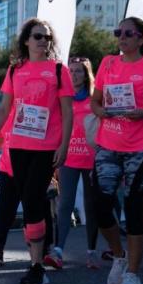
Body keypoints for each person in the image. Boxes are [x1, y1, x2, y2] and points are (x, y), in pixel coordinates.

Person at [0, 18, 73, 284]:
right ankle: (35, 264)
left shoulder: (59, 70)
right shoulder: (14, 70)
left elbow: (68, 113)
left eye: (46, 37)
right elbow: (3, 109)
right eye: (37, 36)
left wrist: (64, 145)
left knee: (34, 199)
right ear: (26, 40)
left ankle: (36, 265)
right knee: (29, 204)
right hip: (18, 146)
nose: (43, 41)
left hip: (46, 147)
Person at [89, 16, 143, 284]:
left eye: (128, 33)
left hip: (141, 147)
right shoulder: (107, 63)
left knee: (135, 209)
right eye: (118, 32)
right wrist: (99, 111)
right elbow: (95, 100)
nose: (121, 37)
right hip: (108, 145)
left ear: (141, 39)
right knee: (101, 206)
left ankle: (134, 275)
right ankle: (118, 256)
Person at [46, 56, 100, 270]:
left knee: (90, 205)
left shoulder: (96, 98)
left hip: (91, 158)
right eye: (72, 71)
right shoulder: (63, 98)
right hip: (68, 157)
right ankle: (58, 250)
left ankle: (92, 252)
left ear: (86, 75)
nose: (74, 74)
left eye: (79, 71)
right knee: (65, 203)